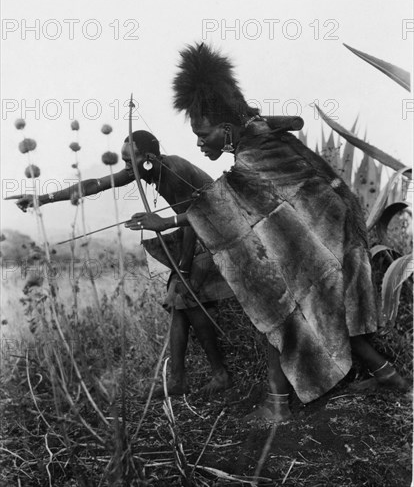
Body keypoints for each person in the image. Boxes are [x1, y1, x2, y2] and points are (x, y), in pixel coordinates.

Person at [127, 43, 409, 425]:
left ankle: (277, 405)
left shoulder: (254, 150)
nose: (198, 143)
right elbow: (240, 193)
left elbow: (225, 203)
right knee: (332, 309)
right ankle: (389, 377)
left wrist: (166, 222)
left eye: (203, 134)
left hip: (328, 237)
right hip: (329, 235)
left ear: (226, 128)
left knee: (275, 306)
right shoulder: (255, 136)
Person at [8, 130, 233, 396]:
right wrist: (42, 199)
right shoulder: (146, 168)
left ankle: (219, 375)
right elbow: (95, 184)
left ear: (148, 157)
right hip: (196, 230)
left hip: (219, 234)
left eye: (129, 161)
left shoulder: (173, 171)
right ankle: (177, 380)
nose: (126, 168)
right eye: (124, 161)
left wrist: (183, 269)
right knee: (177, 299)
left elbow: (193, 219)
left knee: (186, 293)